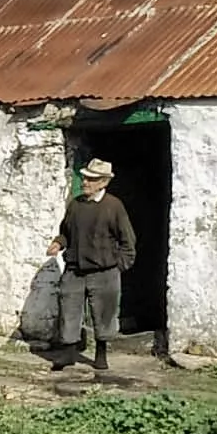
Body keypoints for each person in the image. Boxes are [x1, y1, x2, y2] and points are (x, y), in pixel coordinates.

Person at [47, 158, 137, 371]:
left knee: (104, 314)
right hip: (75, 270)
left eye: (92, 179)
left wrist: (118, 266)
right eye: (85, 177)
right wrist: (57, 243)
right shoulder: (76, 204)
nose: (85, 182)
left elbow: (128, 240)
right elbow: (66, 233)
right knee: (69, 310)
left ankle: (101, 354)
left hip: (104, 271)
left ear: (104, 182)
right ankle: (68, 354)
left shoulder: (113, 206)